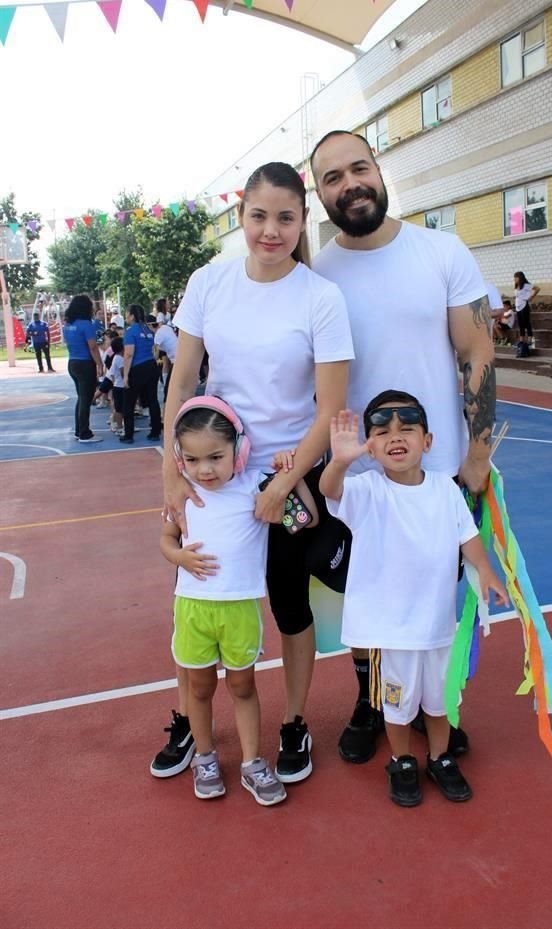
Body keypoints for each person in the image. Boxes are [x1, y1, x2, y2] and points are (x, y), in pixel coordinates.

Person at [154, 162, 354, 784]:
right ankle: (193, 721)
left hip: (288, 471)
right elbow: (183, 380)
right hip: (213, 471)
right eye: (259, 216)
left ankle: (293, 722)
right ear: (241, 216)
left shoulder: (320, 297)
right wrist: (171, 465)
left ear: (302, 221)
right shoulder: (209, 283)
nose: (272, 231)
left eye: (286, 218)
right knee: (198, 597)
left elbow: (329, 408)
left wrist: (284, 484)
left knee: (291, 606)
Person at [309, 130, 496, 764]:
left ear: (379, 170)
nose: (349, 183)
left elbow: (476, 351)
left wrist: (476, 455)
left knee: (435, 594)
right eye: (332, 177)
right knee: (366, 596)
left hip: (438, 469)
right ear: (320, 194)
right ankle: (373, 700)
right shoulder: (316, 273)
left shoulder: (442, 251)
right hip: (360, 476)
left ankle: (432, 706)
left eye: (357, 167)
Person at [320, 394, 507, 806]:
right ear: (369, 445)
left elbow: (468, 537)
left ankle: (439, 759)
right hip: (392, 633)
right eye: (382, 432)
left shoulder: (444, 488)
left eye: (407, 429)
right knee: (397, 708)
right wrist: (340, 460)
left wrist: (486, 570)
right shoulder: (366, 490)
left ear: (429, 440)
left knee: (440, 706)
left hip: (437, 626)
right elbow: (329, 490)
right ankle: (402, 760)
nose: (395, 437)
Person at [160, 396, 317, 804]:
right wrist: (177, 556)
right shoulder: (184, 493)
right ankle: (206, 757)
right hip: (192, 608)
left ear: (239, 451)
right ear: (180, 460)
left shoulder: (255, 486)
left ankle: (251, 761)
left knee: (243, 685)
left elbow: (305, 520)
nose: (205, 469)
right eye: (192, 460)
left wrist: (290, 474)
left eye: (215, 456)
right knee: (198, 686)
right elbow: (166, 537)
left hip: (240, 609)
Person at [63, 294, 103, 443]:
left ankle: (79, 429)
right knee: (86, 399)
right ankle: (85, 433)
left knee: (81, 398)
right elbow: (92, 346)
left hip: (72, 362)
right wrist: (99, 363)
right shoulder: (87, 324)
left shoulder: (68, 325)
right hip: (85, 363)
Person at [120, 303, 162, 443]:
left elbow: (129, 354)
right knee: (152, 400)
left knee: (129, 403)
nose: (126, 316)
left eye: (127, 313)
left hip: (138, 368)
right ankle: (155, 432)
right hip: (151, 366)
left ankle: (128, 435)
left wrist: (126, 376)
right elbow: (154, 350)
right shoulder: (148, 330)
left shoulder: (131, 332)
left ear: (132, 316)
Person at [146, 314, 178, 402]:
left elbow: (155, 355)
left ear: (149, 325)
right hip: (178, 359)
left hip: (176, 361)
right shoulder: (165, 328)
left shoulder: (158, 336)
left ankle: (166, 412)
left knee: (168, 390)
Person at [513, 271, 539, 349]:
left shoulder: (526, 285)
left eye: (516, 277)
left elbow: (537, 288)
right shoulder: (517, 286)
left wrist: (531, 297)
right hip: (518, 307)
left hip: (524, 306)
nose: (514, 279)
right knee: (521, 324)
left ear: (520, 278)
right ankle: (521, 340)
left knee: (526, 323)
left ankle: (530, 339)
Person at [107, 336, 125, 435]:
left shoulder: (116, 358)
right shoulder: (119, 359)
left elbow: (112, 374)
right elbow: (123, 373)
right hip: (120, 387)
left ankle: (120, 426)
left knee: (120, 407)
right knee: (119, 409)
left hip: (117, 386)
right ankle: (119, 427)